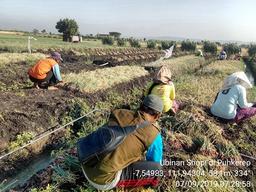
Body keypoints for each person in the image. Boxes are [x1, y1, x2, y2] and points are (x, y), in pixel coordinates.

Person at [81, 95, 164, 190]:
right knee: (157, 170)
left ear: (140, 105)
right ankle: (142, 189)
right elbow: (155, 160)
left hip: (86, 163)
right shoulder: (154, 134)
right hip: (102, 181)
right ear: (157, 116)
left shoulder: (119, 112)